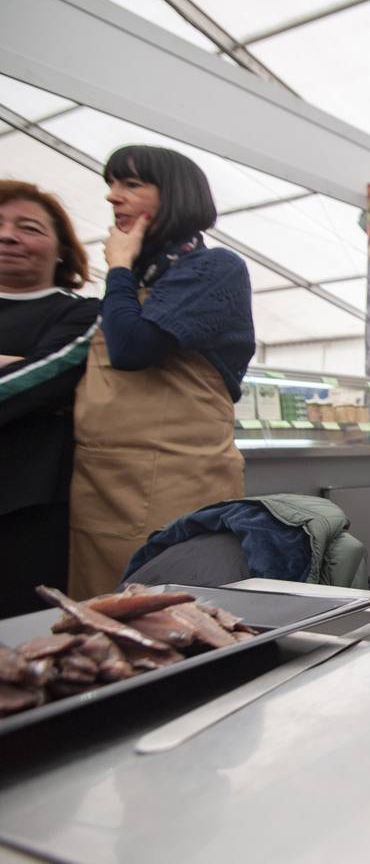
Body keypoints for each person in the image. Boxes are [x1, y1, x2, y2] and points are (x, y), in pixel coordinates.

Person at [68, 146, 255, 599]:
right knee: (96, 613)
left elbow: (133, 347)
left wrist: (117, 267)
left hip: (177, 475)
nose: (113, 197)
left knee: (170, 607)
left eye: (131, 184)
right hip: (102, 477)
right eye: (111, 185)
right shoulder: (140, 275)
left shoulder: (214, 269)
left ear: (175, 195)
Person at [0, 181, 100, 615]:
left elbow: (45, 375)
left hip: (25, 505)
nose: (8, 235)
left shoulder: (79, 312)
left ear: (62, 250)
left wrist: (21, 369)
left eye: (30, 228)